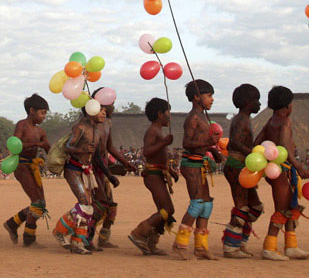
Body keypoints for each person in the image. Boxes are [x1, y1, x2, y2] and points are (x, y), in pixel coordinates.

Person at [255, 86, 309, 261]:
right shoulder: (285, 122)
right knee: (282, 208)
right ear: (288, 106)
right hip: (281, 169)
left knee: (289, 205)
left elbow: (257, 143)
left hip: (273, 169)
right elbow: (284, 147)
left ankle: (291, 245)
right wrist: (298, 166)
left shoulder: (269, 122)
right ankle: (270, 247)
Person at [172, 80, 222, 260]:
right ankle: (180, 244)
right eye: (208, 96)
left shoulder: (203, 116)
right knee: (197, 203)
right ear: (196, 97)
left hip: (200, 163)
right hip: (191, 164)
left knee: (207, 203)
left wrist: (214, 151)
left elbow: (203, 142)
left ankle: (201, 246)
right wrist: (209, 143)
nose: (212, 99)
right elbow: (187, 143)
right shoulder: (193, 117)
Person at [53, 100, 106, 254]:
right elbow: (67, 146)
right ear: (91, 110)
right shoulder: (80, 127)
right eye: (101, 109)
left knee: (88, 207)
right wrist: (81, 149)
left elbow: (96, 155)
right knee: (84, 204)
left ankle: (78, 242)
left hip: (86, 171)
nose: (104, 113)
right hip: (73, 169)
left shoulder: (97, 131)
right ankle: (60, 231)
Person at [128, 98, 179, 255]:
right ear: (160, 114)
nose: (170, 116)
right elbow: (147, 152)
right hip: (152, 175)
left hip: (158, 173)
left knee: (164, 210)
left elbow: (159, 156)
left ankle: (151, 242)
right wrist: (164, 143)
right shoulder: (152, 131)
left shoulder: (159, 131)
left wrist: (170, 170)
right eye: (167, 112)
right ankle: (139, 233)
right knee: (167, 209)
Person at [88, 91, 136, 249]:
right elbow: (95, 154)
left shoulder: (108, 123)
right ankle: (86, 238)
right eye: (111, 103)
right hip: (93, 169)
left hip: (103, 167)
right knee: (99, 204)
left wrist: (125, 162)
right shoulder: (91, 124)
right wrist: (109, 172)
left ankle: (103, 237)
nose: (113, 106)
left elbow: (109, 147)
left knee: (110, 206)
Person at [3, 94, 51, 247]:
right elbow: (15, 145)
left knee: (40, 204)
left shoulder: (41, 131)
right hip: (21, 165)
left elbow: (48, 149)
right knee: (37, 202)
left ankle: (12, 223)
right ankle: (29, 238)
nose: (44, 117)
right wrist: (37, 143)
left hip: (33, 167)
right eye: (42, 113)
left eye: (45, 113)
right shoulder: (21, 125)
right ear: (32, 110)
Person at [222, 84, 263, 258]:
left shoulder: (245, 119)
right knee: (242, 207)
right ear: (248, 102)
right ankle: (231, 247)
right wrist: (253, 154)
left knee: (255, 207)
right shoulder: (241, 120)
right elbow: (235, 143)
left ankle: (240, 242)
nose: (260, 104)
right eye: (257, 101)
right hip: (236, 166)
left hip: (243, 168)